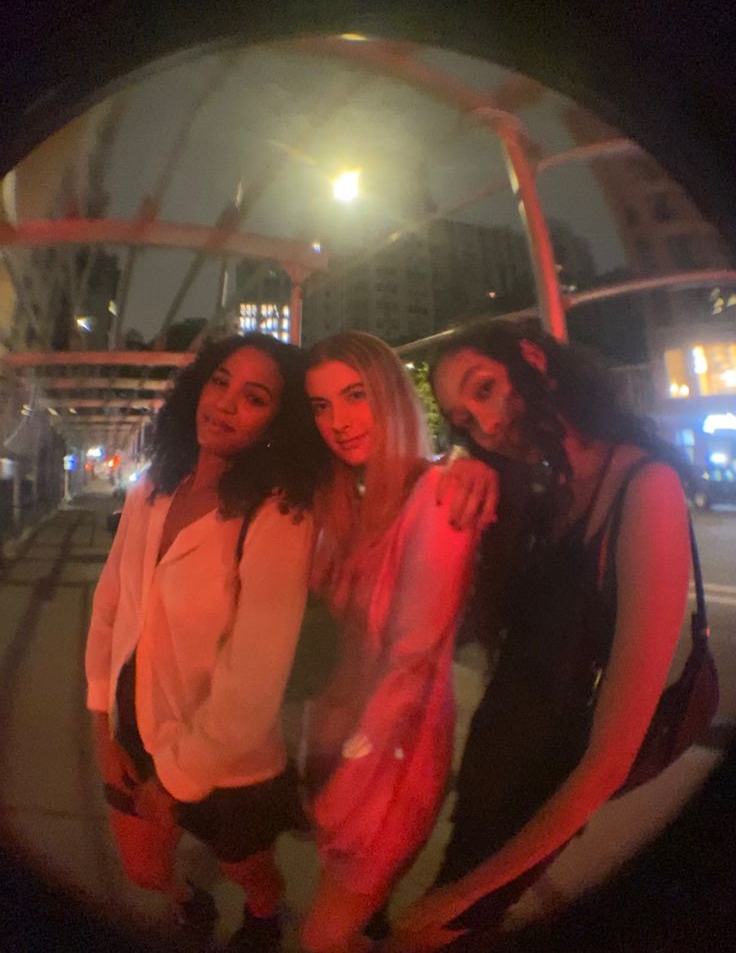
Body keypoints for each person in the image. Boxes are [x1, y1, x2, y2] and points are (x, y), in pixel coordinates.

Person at [387, 319, 691, 952]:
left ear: (533, 357)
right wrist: (466, 461)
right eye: (465, 417)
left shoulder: (645, 489)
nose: (487, 421)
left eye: (487, 388)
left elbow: (608, 760)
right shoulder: (540, 488)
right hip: (492, 755)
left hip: (543, 789)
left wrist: (465, 894)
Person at [85, 333, 328, 952]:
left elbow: (254, 676)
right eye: (220, 381)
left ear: (279, 420)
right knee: (144, 870)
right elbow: (111, 603)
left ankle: (264, 913)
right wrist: (101, 724)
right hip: (133, 724)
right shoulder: (154, 486)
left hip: (228, 755)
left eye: (254, 397)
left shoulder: (277, 513)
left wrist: (175, 781)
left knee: (247, 867)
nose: (223, 403)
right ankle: (187, 900)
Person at [298, 332, 485, 953]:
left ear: (393, 398)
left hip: (388, 770)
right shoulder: (348, 503)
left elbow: (411, 662)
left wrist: (342, 786)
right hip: (336, 754)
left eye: (356, 396)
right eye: (321, 406)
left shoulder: (437, 496)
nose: (338, 422)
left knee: (322, 938)